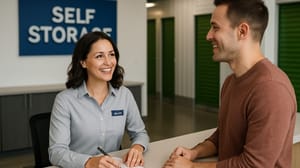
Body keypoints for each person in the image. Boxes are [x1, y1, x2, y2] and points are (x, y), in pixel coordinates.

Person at [163, 0, 297, 167]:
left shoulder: (271, 89)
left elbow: (253, 166)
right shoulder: (230, 82)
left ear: (242, 31)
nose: (208, 35)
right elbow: (224, 136)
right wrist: (194, 152)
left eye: (215, 27)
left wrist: (191, 166)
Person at [48, 31, 149, 168]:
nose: (108, 62)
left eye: (111, 54)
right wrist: (89, 162)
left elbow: (140, 133)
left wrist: (138, 148)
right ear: (83, 62)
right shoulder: (65, 100)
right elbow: (56, 152)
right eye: (99, 56)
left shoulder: (124, 95)